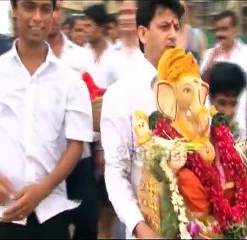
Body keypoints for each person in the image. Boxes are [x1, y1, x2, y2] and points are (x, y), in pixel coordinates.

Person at [0, 0, 93, 238]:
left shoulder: (71, 82)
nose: (38, 17)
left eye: (45, 9)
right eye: (29, 7)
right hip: (1, 211)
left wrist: (43, 189)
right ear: (15, 10)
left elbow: (75, 145)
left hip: (50, 214)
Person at [100, 0, 184, 238]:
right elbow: (116, 173)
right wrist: (140, 227)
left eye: (176, 27)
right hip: (149, 229)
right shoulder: (120, 95)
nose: (172, 35)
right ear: (143, 33)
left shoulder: (191, 90)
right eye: (164, 26)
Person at [47, 1, 99, 239]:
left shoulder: (82, 56)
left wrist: (100, 149)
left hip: (80, 155)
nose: (52, 15)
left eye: (56, 9)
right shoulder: (26, 60)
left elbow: (97, 100)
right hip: (45, 160)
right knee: (52, 225)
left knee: (87, 222)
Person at [201, 10, 247, 142]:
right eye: (217, 30)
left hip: (238, 128)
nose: (220, 34)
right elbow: (201, 87)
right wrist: (211, 61)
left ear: (234, 29)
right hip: (210, 130)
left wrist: (239, 103)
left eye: (224, 29)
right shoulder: (209, 54)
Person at [207, 62, 247, 138]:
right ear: (210, 99)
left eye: (233, 104)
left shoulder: (236, 132)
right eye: (222, 103)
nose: (228, 112)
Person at [83, 4, 115, 89]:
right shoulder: (80, 54)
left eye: (88, 26)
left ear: (101, 27)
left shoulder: (116, 53)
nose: (85, 30)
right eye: (84, 26)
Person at [177, 0, 207, 65]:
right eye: (176, 8)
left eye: (182, 8)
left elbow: (205, 63)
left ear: (187, 10)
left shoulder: (197, 35)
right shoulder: (168, 36)